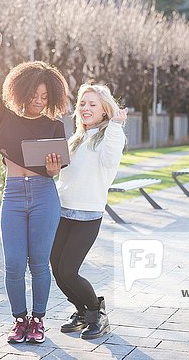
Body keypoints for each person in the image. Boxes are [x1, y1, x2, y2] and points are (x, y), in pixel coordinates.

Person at [0, 21, 70, 344]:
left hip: (45, 196)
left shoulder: (54, 126)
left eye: (44, 96)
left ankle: (38, 320)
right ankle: (19, 319)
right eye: (34, 94)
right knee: (14, 263)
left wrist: (54, 168)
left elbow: (55, 170)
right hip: (14, 196)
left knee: (39, 263)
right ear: (22, 91)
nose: (38, 100)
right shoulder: (6, 118)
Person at [50, 84, 127, 340]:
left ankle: (97, 312)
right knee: (56, 268)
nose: (86, 108)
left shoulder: (108, 137)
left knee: (69, 270)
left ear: (105, 110)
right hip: (63, 212)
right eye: (83, 103)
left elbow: (108, 162)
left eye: (93, 104)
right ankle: (81, 312)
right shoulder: (77, 138)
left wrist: (115, 126)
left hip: (87, 216)